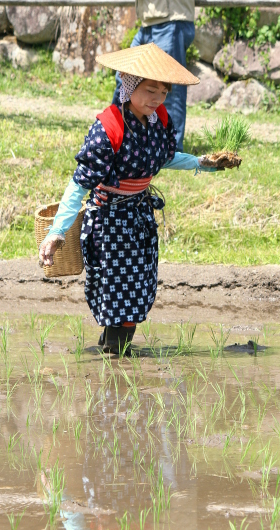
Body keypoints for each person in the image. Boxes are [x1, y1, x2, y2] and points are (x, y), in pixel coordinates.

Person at [39, 43, 220, 355]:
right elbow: (78, 186)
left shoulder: (159, 121)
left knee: (135, 294)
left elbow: (162, 158)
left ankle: (112, 357)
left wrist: (202, 162)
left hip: (139, 220)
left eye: (163, 92)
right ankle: (115, 364)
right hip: (108, 224)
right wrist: (56, 232)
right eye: (150, 90)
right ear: (130, 85)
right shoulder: (107, 129)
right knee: (115, 295)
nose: (157, 99)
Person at [112, 0, 195, 152]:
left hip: (171, 20)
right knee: (124, 77)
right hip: (148, 22)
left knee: (169, 88)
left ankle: (171, 150)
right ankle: (116, 138)